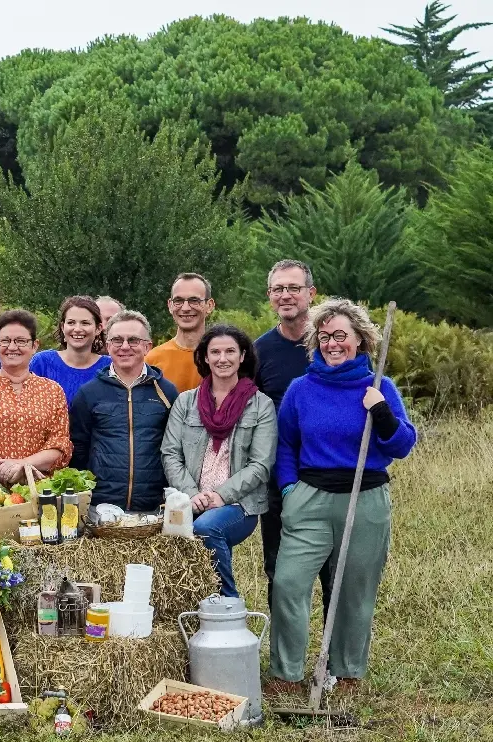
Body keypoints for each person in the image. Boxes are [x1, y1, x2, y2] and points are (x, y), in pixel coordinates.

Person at [267, 299, 416, 696]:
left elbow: (403, 445)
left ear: (360, 341)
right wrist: (289, 489)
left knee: (354, 589)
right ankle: (287, 673)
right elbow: (285, 446)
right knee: (287, 583)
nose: (332, 344)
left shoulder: (379, 386)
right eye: (325, 336)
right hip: (310, 498)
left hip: (364, 498)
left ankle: (347, 671)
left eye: (340, 336)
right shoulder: (301, 389)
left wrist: (381, 412)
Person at [161, 325, 276, 599]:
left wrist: (220, 496)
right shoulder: (186, 402)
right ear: (205, 357)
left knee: (206, 527)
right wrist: (192, 494)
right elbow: (170, 453)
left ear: (242, 356)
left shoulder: (261, 405)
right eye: (215, 352)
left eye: (230, 351)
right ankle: (195, 607)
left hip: (239, 504)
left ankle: (227, 603)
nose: (222, 358)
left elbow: (260, 464)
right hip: (192, 497)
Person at [254, 259, 326, 594]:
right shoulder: (259, 351)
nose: (286, 295)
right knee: (279, 569)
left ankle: (335, 647)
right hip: (278, 476)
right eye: (278, 289)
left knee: (333, 567)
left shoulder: (333, 344)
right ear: (270, 296)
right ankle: (284, 648)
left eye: (293, 288)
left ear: (310, 293)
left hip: (330, 473)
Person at [70, 310, 179, 512]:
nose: (125, 347)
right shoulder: (89, 393)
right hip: (101, 508)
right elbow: (78, 448)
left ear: (148, 346)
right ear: (108, 345)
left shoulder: (167, 391)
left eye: (133, 340)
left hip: (154, 507)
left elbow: (176, 448)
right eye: (117, 340)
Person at [0, 310, 72, 486]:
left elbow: (59, 445)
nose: (12, 347)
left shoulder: (52, 390)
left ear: (35, 345)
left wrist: (23, 466)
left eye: (21, 341)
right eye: (5, 341)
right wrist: (5, 472)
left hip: (40, 488)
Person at [29, 295, 112, 405]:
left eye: (85, 323)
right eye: (71, 322)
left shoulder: (109, 366)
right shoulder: (42, 362)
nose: (77, 329)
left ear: (98, 329)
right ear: (63, 327)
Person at [146, 273, 216, 393]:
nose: (185, 308)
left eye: (194, 300)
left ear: (209, 305)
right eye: (178, 301)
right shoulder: (152, 361)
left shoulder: (224, 358)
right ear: (170, 305)